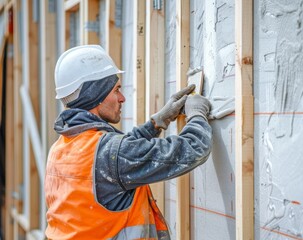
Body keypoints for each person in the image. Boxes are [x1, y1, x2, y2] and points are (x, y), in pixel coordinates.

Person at [44, 45, 212, 240]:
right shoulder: (110, 154)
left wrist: (157, 123)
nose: (122, 98)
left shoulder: (60, 148)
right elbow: (194, 148)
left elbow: (115, 157)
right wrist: (197, 114)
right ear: (95, 95)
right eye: (116, 90)